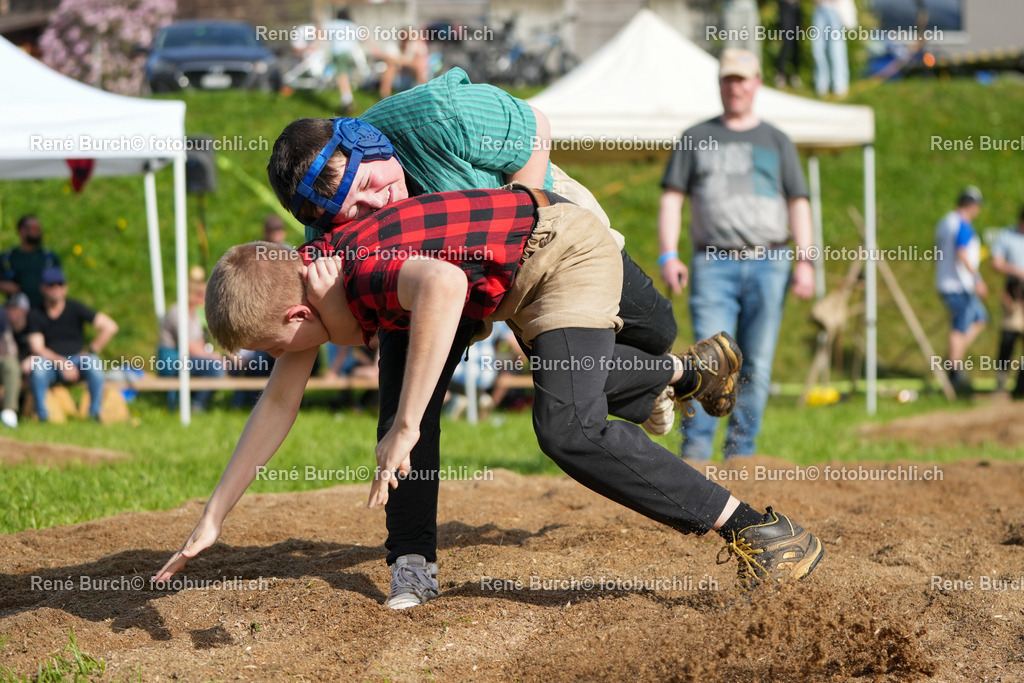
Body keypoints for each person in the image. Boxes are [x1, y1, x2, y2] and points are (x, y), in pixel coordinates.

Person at [154, 188, 824, 609]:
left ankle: (762, 532)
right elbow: (276, 406)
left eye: (275, 349)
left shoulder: (358, 273)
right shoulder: (310, 279)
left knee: (569, 426)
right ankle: (687, 373)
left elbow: (443, 284)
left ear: (296, 320)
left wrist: (406, 426)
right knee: (566, 397)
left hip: (558, 252)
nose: (283, 364)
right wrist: (214, 516)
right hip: (518, 275)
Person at [658, 48, 814, 460]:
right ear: (720, 84)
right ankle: (695, 454)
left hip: (770, 263)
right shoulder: (695, 137)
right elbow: (673, 198)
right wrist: (668, 255)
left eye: (743, 79)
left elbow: (799, 202)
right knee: (709, 361)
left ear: (757, 83)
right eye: (729, 79)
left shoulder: (777, 140)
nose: (736, 87)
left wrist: (806, 260)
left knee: (757, 364)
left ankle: (741, 455)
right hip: (713, 264)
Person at [27, 266, 118, 422]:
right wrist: (62, 363)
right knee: (38, 367)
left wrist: (91, 350)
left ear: (65, 287)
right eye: (51, 285)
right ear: (43, 288)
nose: (56, 289)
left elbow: (110, 326)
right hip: (51, 362)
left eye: (60, 284)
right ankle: (42, 416)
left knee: (93, 363)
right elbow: (37, 348)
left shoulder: (76, 308)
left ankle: (94, 414)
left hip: (78, 359)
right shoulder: (36, 313)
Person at [934, 186, 988, 395]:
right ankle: (953, 369)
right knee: (961, 325)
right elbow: (962, 252)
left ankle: (953, 359)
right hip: (958, 285)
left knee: (979, 318)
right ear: (972, 206)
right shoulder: (961, 224)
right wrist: (977, 279)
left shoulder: (945, 222)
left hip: (948, 281)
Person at [157, 271, 225, 412]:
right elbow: (187, 345)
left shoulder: (194, 314)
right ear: (190, 294)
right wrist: (212, 358)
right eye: (201, 294)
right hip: (171, 361)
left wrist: (214, 355)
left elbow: (199, 342)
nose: (205, 297)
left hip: (188, 359)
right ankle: (197, 405)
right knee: (215, 368)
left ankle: (196, 403)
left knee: (219, 365)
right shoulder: (176, 312)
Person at [991, 205, 1024, 398]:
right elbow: (996, 262)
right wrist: (1018, 272)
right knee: (1008, 340)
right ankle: (1001, 384)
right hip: (1014, 295)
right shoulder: (1007, 235)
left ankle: (1021, 386)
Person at [0, 215, 62, 308]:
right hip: (17, 308)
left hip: (44, 308)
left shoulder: (48, 257)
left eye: (38, 228)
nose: (37, 231)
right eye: (34, 228)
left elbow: (60, 282)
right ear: (22, 230)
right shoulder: (8, 257)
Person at [810, 0, 849, 98]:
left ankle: (840, 84)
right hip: (819, 10)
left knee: (836, 50)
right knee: (817, 50)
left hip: (834, 10)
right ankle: (821, 84)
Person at [0, 295, 24, 428]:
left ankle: (9, 411)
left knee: (11, 364)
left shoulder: (1, 313)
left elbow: (8, 340)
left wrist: (12, 357)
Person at [775, 0, 803, 88]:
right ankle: (780, 74)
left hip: (796, 8)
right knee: (787, 43)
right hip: (785, 6)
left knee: (796, 45)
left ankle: (795, 75)